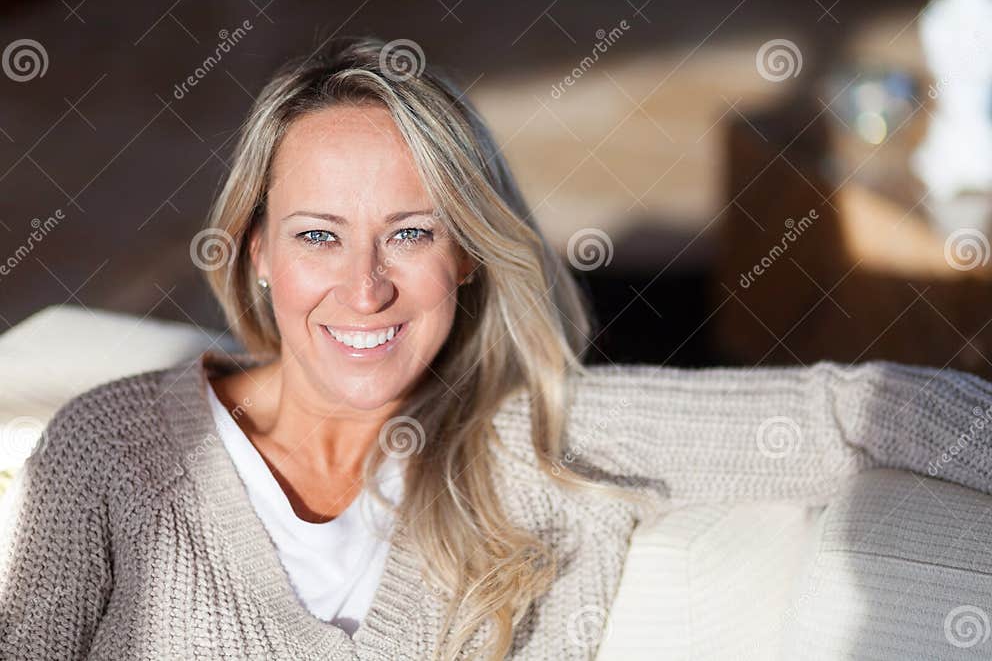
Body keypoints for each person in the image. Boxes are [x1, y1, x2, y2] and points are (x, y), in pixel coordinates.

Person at [3, 35, 992, 661]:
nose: (365, 285)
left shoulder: (537, 439)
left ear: (469, 253)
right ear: (255, 251)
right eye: (316, 234)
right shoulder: (112, 454)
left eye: (410, 231)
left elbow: (854, 408)